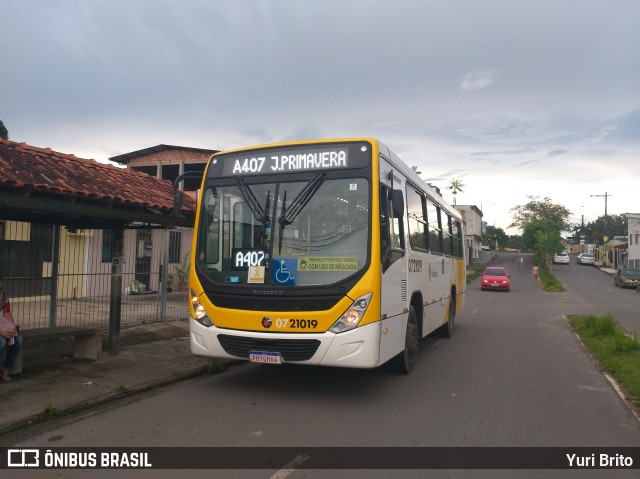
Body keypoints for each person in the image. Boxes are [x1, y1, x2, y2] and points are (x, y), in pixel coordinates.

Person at [0, 275, 23, 382]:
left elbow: (7, 313)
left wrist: (13, 328)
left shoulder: (3, 296)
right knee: (2, 342)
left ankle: (6, 368)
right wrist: (1, 332)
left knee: (18, 340)